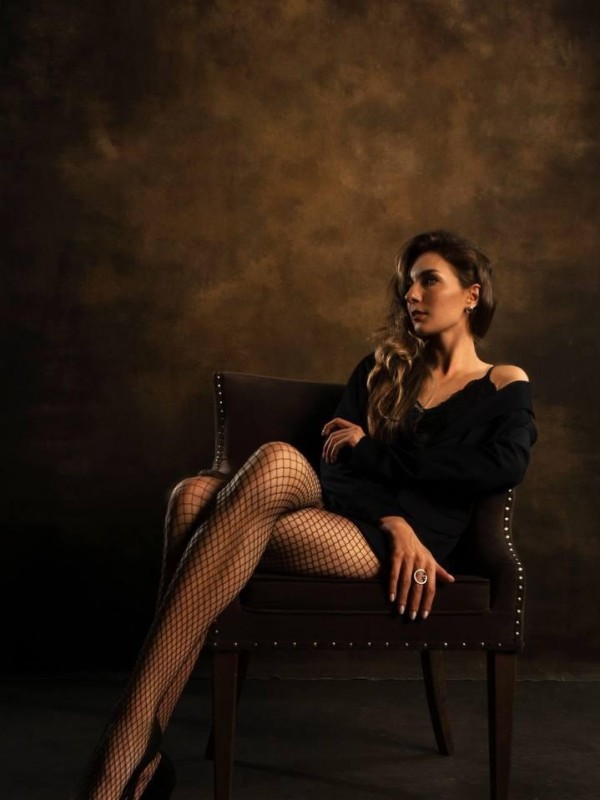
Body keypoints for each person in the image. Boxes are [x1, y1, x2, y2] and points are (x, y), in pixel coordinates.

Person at [74, 230, 536, 799]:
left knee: (220, 489)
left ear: (471, 294)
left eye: (428, 280)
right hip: (367, 523)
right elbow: (335, 468)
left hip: (415, 547)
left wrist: (373, 454)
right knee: (200, 491)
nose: (411, 294)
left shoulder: (501, 382)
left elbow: (499, 467)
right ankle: (136, 755)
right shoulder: (381, 368)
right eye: (407, 283)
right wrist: (392, 518)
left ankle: (122, 754)